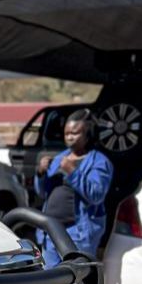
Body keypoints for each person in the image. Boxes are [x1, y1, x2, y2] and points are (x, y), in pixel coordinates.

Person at [34, 109, 112, 265]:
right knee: (50, 281)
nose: (69, 137)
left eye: (75, 133)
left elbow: (96, 194)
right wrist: (41, 173)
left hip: (77, 234)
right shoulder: (59, 158)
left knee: (75, 281)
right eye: (66, 133)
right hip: (51, 231)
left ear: (88, 134)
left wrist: (72, 172)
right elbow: (42, 193)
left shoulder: (99, 162)